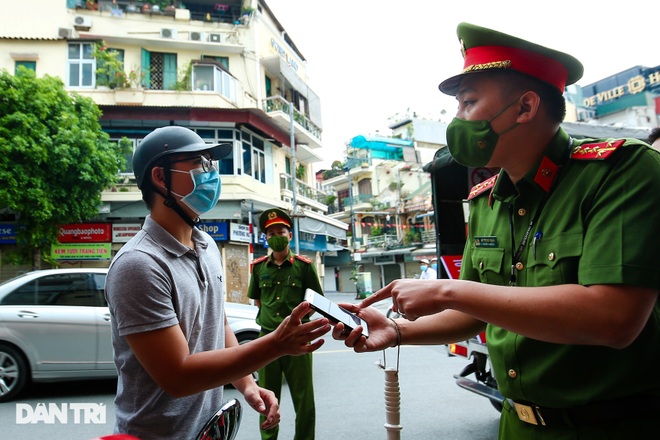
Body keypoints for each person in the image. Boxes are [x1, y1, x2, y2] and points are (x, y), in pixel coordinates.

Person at [333, 22, 660, 439]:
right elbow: (472, 314)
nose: (457, 120)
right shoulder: (484, 200)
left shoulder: (621, 171)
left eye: (468, 102)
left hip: (613, 425)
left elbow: (614, 319)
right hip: (517, 425)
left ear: (525, 107)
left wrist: (446, 290)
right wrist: (397, 330)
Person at [105, 126, 331, 440]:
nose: (212, 174)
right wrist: (276, 344)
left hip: (207, 430)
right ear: (160, 177)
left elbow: (217, 323)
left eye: (212, 164)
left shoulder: (208, 245)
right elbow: (178, 377)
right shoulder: (139, 265)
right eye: (201, 164)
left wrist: (248, 384)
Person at [247, 208, 325, 440]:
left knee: (304, 399)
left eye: (280, 231)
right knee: (266, 399)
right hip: (267, 339)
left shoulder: (304, 266)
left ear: (289, 235)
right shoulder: (259, 267)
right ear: (266, 238)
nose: (276, 236)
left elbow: (315, 302)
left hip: (298, 339)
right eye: (271, 234)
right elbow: (258, 299)